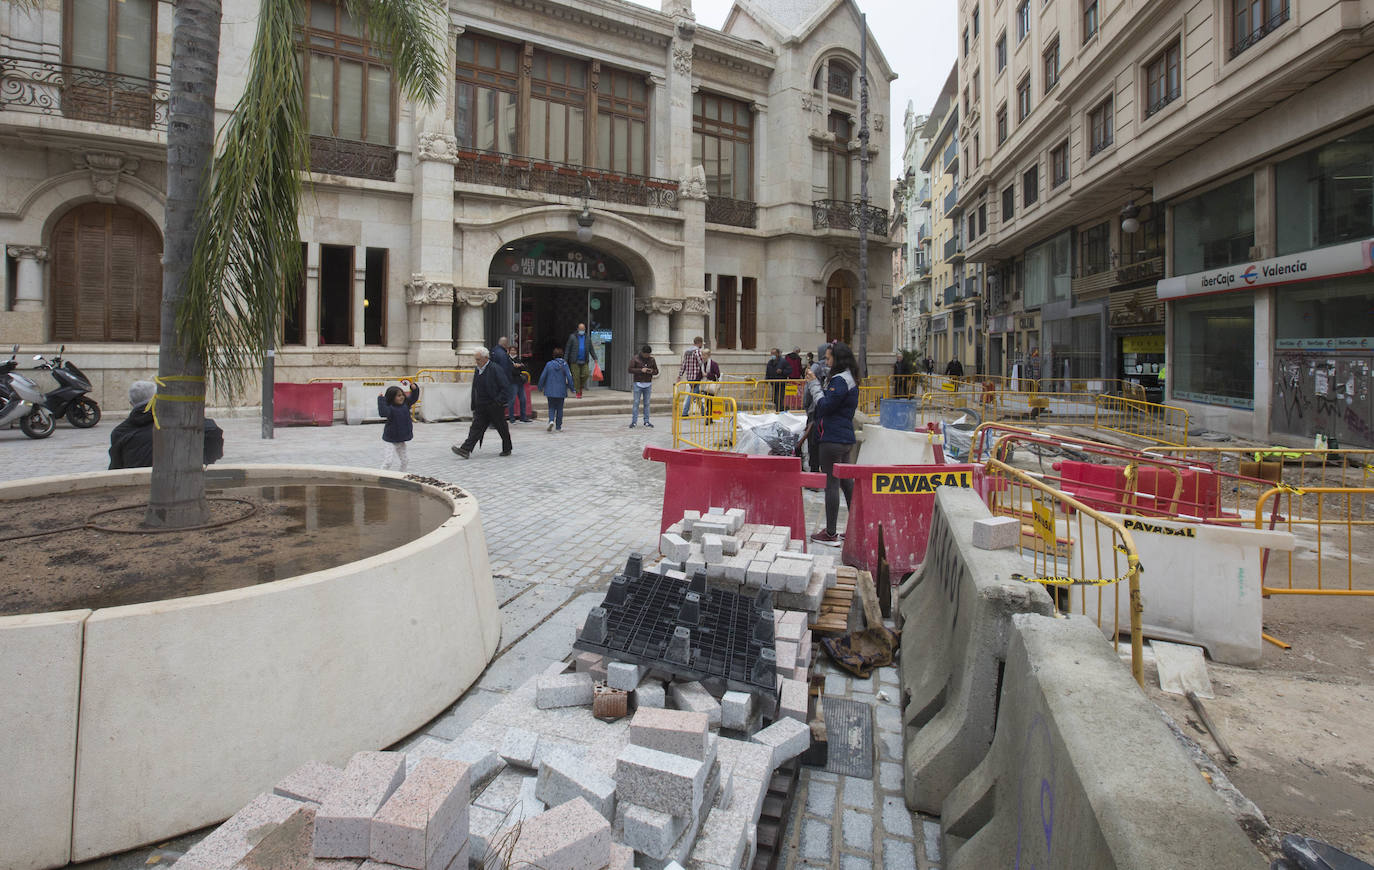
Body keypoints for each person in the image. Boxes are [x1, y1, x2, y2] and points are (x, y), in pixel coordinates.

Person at [805, 341, 859, 544]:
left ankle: (830, 532)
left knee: (832, 484)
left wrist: (814, 384)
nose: (826, 362)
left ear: (838, 358)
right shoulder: (851, 378)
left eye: (828, 358)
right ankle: (856, 529)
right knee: (846, 483)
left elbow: (825, 405)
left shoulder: (840, 380)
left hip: (833, 438)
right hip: (845, 437)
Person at [109, 380, 224, 469]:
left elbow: (116, 467)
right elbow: (213, 432)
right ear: (158, 398)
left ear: (131, 403)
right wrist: (204, 460)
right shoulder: (179, 419)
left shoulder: (119, 432)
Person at [451, 347, 513, 458]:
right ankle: (465, 449)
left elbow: (505, 387)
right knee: (476, 427)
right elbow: (475, 387)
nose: (477, 362)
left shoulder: (495, 369)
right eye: (476, 359)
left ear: (485, 358)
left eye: (478, 359)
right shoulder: (477, 370)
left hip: (494, 405)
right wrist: (474, 403)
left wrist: (498, 402)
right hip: (481, 405)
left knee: (501, 427)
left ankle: (507, 448)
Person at [377, 380, 420, 471]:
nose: (402, 397)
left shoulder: (406, 405)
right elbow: (383, 413)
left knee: (405, 461)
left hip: (401, 440)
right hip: (390, 440)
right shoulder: (390, 408)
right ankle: (380, 476)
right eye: (398, 396)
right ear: (392, 398)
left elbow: (414, 398)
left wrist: (414, 389)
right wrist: (381, 400)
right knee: (388, 461)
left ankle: (401, 476)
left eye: (402, 395)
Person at [538, 345, 575, 432]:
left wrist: (540, 386)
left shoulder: (549, 364)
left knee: (551, 407)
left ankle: (551, 420)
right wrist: (572, 388)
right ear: (562, 355)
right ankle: (558, 427)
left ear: (553, 355)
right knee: (559, 408)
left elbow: (543, 376)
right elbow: (569, 377)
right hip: (561, 390)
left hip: (550, 389)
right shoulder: (565, 364)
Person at [564, 322, 598, 399]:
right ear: (578, 329)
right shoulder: (572, 337)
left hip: (584, 360)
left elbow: (591, 349)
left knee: (586, 374)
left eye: (583, 329)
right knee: (576, 377)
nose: (582, 330)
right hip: (574, 361)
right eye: (580, 329)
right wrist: (565, 360)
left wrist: (595, 358)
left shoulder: (587, 337)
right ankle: (578, 392)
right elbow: (568, 349)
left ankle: (579, 387)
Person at [629, 344, 659, 428]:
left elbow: (656, 371)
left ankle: (646, 421)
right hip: (638, 383)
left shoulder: (652, 359)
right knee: (636, 402)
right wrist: (640, 370)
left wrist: (651, 371)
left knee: (647, 403)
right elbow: (630, 369)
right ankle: (634, 422)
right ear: (642, 353)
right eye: (646, 354)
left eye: (649, 354)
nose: (647, 356)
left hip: (648, 384)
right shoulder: (635, 358)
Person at [676, 335, 705, 417]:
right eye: (702, 343)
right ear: (699, 343)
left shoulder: (687, 352)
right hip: (696, 376)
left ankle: (703, 411)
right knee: (693, 393)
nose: (702, 345)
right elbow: (701, 363)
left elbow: (684, 364)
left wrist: (680, 375)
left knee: (697, 393)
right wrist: (705, 373)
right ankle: (685, 412)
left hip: (689, 376)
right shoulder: (697, 352)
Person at [506, 339, 533, 423]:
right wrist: (516, 367)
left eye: (514, 350)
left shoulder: (518, 359)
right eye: (512, 350)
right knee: (512, 400)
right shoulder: (507, 360)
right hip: (512, 382)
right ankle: (511, 417)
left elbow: (523, 368)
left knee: (523, 399)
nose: (513, 352)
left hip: (520, 381)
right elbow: (511, 370)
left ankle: (523, 416)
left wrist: (518, 366)